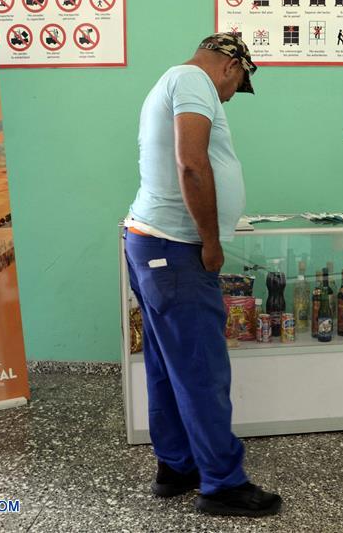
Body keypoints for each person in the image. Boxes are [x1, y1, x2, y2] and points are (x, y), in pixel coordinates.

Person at [124, 33, 281, 517]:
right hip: (176, 250)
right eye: (238, 86)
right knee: (201, 368)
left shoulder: (173, 81)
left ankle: (177, 465)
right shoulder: (195, 80)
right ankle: (223, 483)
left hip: (154, 244)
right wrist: (211, 241)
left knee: (168, 365)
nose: (232, 96)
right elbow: (191, 164)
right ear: (233, 66)